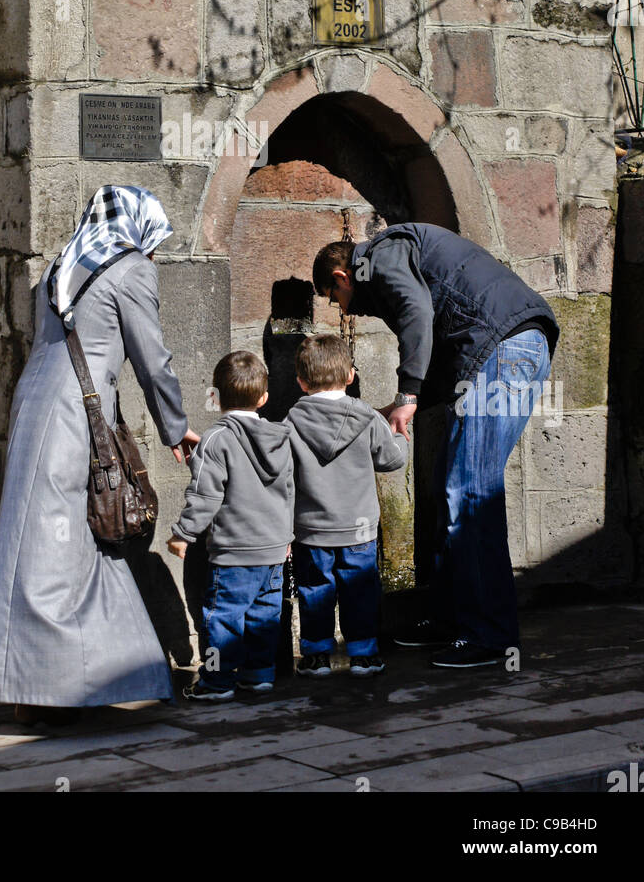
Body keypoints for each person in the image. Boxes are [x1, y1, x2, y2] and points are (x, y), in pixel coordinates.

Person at [0, 185, 199, 723]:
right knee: (63, 552)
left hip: (33, 405)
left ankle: (55, 685)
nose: (156, 252)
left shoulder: (62, 265)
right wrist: (176, 427)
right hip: (75, 417)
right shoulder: (131, 270)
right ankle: (48, 692)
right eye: (156, 239)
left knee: (45, 544)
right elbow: (153, 359)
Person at [313, 222, 559, 669]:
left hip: (503, 351)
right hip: (498, 351)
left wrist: (408, 395)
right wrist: (409, 399)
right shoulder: (399, 255)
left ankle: (490, 637)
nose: (344, 311)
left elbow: (416, 312)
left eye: (336, 300)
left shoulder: (381, 257)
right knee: (454, 489)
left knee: (470, 493)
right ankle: (453, 620)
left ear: (341, 277)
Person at [167, 351, 293, 702]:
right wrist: (288, 537)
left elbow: (205, 495)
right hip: (273, 551)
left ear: (215, 396)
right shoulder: (280, 438)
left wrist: (184, 533)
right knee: (265, 616)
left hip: (233, 553)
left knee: (219, 619)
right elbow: (289, 492)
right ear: (264, 398)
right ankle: (259, 675)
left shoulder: (215, 439)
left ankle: (216, 680)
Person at [285, 334, 407, 679]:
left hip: (310, 529)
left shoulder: (291, 422)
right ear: (350, 375)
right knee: (360, 589)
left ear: (301, 381)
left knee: (314, 590)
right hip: (359, 527)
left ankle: (316, 656)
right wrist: (398, 435)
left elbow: (281, 473)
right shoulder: (366, 417)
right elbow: (393, 460)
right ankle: (364, 655)